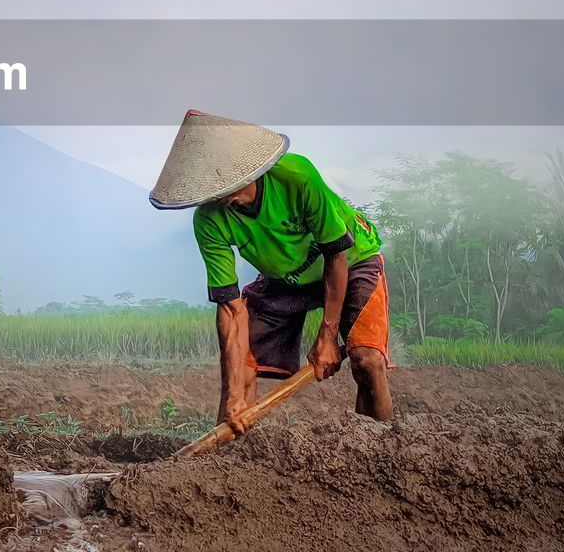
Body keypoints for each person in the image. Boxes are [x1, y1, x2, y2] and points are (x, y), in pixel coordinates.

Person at [150, 110, 393, 432]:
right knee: (243, 362)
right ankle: (229, 448)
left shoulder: (298, 177)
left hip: (351, 259)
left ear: (248, 171)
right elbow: (230, 308)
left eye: (224, 184)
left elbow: (336, 255)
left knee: (366, 359)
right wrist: (233, 396)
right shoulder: (209, 221)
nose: (220, 197)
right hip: (285, 278)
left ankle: (383, 447)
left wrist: (327, 336)